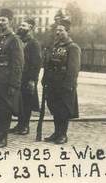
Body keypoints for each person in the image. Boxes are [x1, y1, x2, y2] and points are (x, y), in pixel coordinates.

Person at [0, 8, 24, 148]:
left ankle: (3, 138)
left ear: (10, 22)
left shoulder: (14, 40)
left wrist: (14, 84)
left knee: (4, 111)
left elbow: (17, 64)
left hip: (6, 82)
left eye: (4, 20)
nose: (1, 23)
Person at [42, 16, 81, 144]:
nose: (58, 33)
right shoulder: (54, 46)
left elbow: (73, 69)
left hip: (64, 84)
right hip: (53, 83)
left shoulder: (73, 47)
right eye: (57, 30)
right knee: (54, 108)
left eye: (61, 30)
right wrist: (45, 79)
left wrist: (69, 85)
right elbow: (48, 64)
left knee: (63, 110)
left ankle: (63, 134)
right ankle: (56, 132)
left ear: (68, 32)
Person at [9, 17, 42, 135]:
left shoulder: (34, 43)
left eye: (24, 26)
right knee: (19, 101)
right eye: (20, 25)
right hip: (18, 76)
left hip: (28, 78)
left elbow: (37, 63)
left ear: (30, 28)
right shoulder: (18, 41)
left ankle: (25, 126)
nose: (20, 27)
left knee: (27, 102)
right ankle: (19, 124)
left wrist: (33, 80)